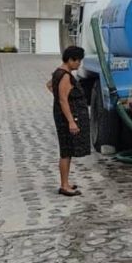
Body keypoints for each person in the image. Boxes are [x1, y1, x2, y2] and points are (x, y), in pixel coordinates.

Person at [51, 46, 91, 197]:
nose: (79, 64)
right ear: (70, 60)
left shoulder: (58, 72)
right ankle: (64, 185)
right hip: (66, 117)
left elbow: (50, 86)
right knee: (66, 151)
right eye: (78, 60)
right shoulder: (65, 76)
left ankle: (66, 182)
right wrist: (71, 121)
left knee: (67, 151)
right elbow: (62, 100)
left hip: (65, 115)